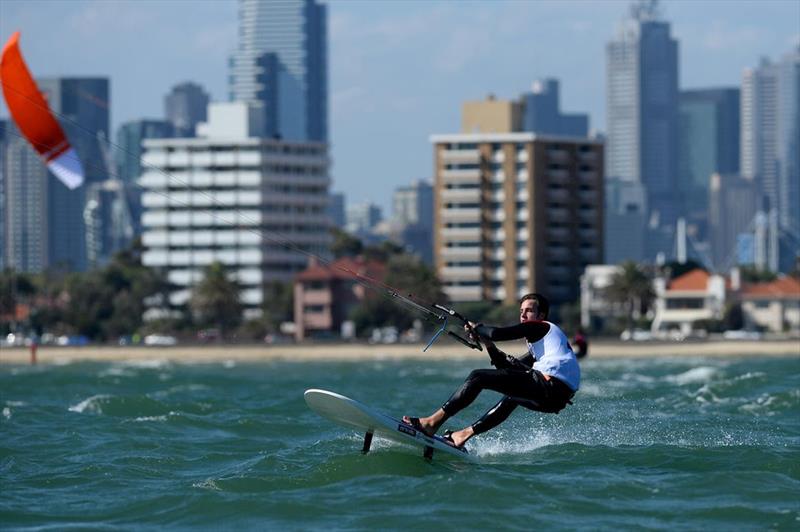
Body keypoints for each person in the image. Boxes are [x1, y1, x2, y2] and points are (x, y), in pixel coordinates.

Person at [402, 293, 579, 449]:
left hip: (549, 387)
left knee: (477, 376)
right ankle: (462, 436)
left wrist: (479, 328)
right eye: (521, 311)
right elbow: (507, 369)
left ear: (541, 315)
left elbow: (497, 333)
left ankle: (431, 423)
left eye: (529, 310)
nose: (523, 315)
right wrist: (487, 343)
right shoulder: (544, 346)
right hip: (555, 399)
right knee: (511, 395)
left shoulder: (542, 327)